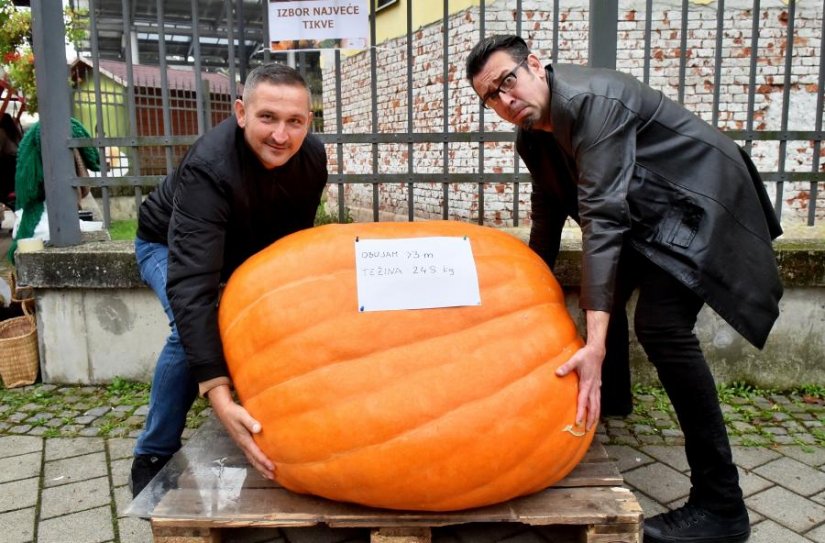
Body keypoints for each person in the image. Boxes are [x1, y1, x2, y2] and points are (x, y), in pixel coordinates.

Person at [466, 35, 783, 543]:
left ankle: (722, 506)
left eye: (507, 81)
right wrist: (531, 289)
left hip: (701, 197)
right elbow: (549, 212)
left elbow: (603, 219)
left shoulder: (593, 103)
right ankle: (608, 409)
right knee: (606, 297)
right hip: (650, 209)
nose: (505, 100)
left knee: (662, 327)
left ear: (535, 66)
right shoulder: (532, 134)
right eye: (491, 97)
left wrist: (593, 344)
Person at [130, 62, 328, 497]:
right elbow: (190, 285)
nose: (281, 135)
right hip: (165, 247)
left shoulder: (312, 157)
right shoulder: (208, 168)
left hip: (236, 250)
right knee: (189, 334)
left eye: (294, 121)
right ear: (241, 113)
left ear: (308, 122)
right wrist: (220, 397)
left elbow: (291, 247)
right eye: (267, 118)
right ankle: (153, 451)